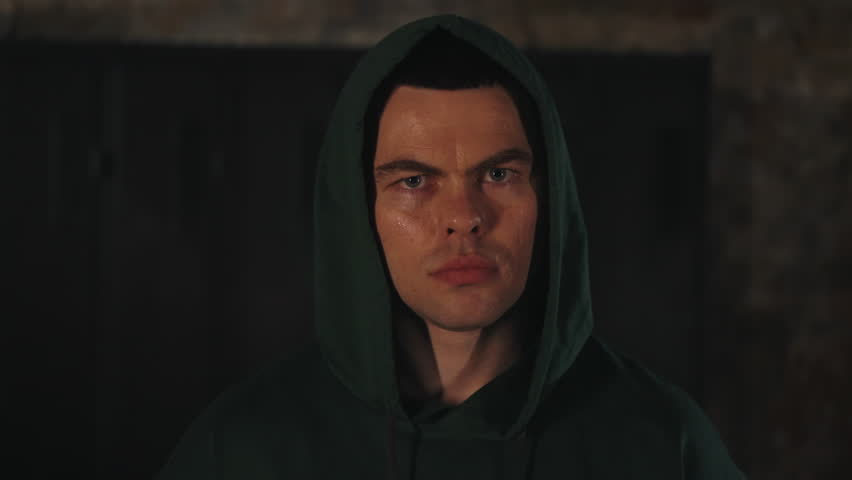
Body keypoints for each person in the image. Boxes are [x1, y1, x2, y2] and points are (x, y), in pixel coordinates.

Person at [156, 14, 746, 479]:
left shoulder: (662, 442)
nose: (463, 218)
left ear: (550, 198)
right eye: (414, 181)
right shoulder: (244, 447)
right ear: (362, 212)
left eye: (499, 175)